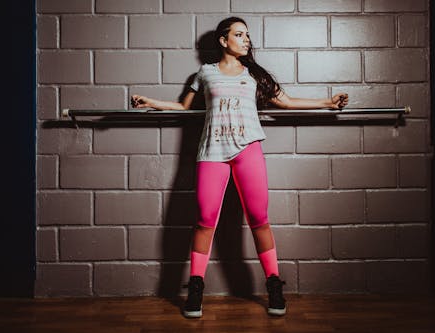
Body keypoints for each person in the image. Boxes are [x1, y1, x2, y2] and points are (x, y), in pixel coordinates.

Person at [131, 16, 349, 318]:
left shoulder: (254, 75)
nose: (246, 39)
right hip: (212, 153)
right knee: (205, 220)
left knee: (259, 218)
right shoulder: (205, 73)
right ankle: (195, 288)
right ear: (223, 40)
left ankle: (273, 284)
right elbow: (183, 106)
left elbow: (285, 102)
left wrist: (328, 102)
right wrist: (150, 102)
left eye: (247, 35)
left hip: (248, 151)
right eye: (239, 34)